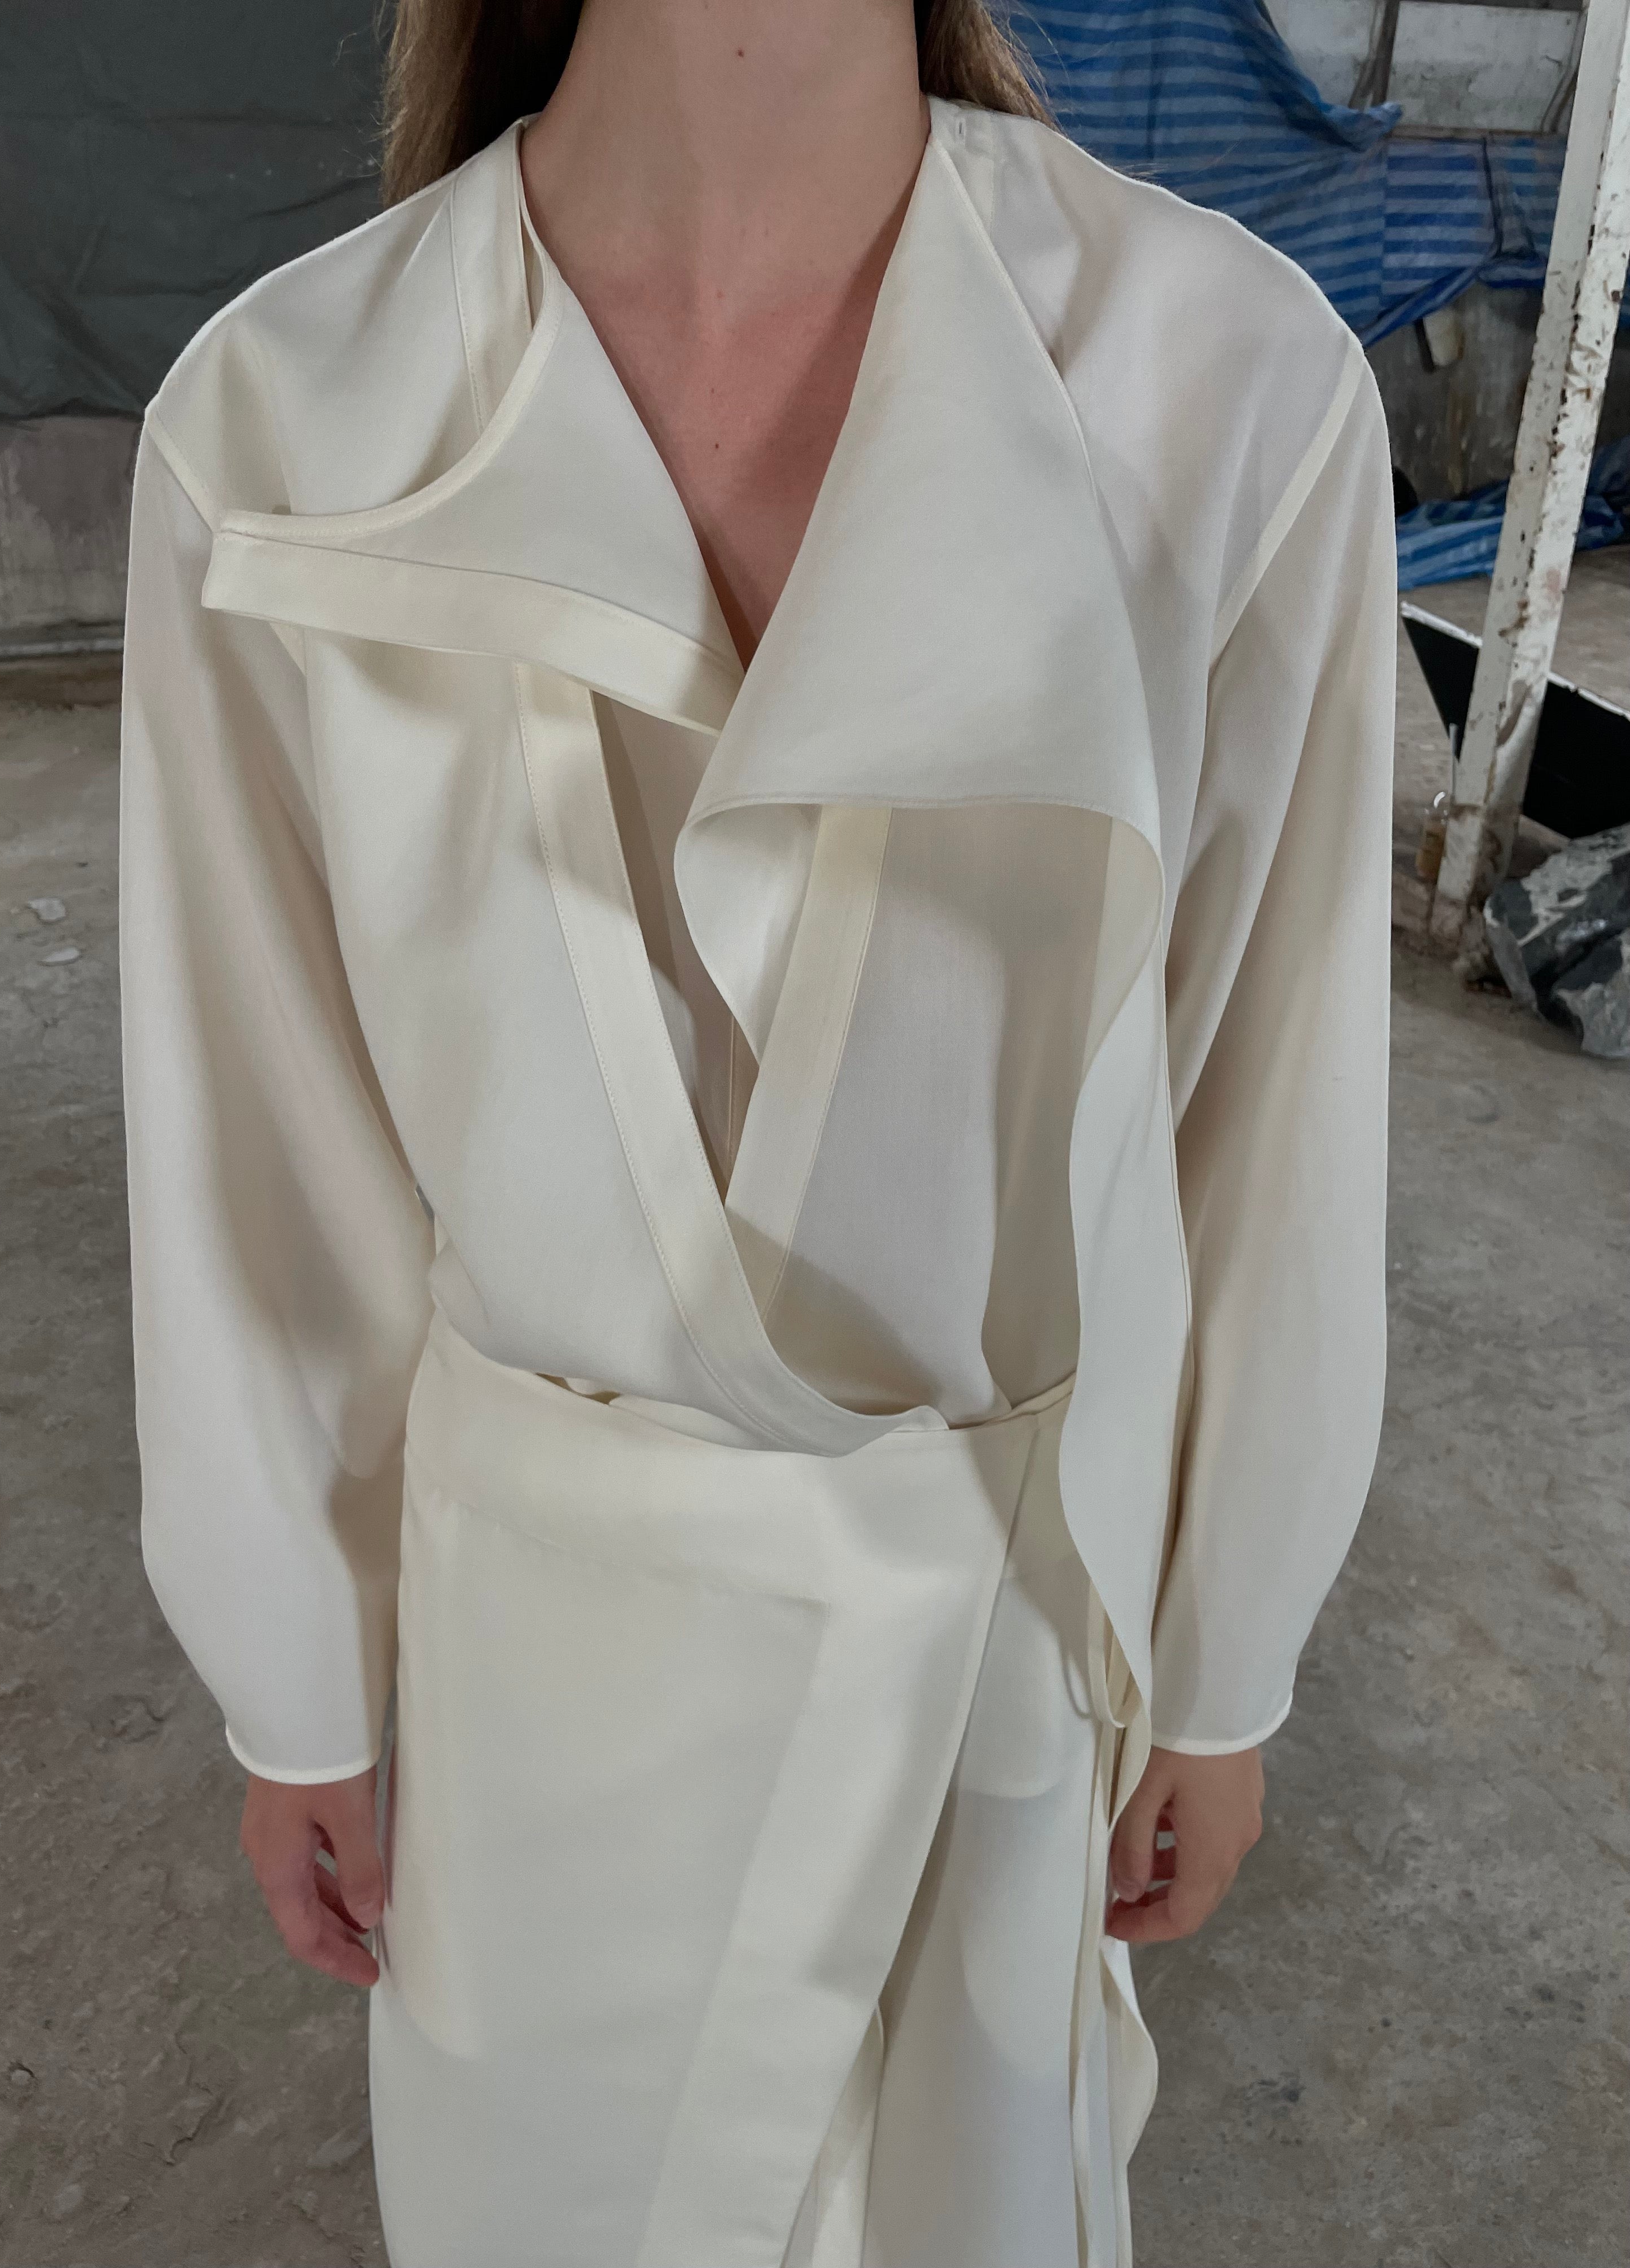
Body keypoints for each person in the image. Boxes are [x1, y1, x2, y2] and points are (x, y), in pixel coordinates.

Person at [118, 1, 1394, 2261]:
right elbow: (254, 1137)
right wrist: (293, 1672)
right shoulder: (286, 412)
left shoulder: (1228, 382)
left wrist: (1224, 1647)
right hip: (536, 1693)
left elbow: (1276, 1099)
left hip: (995, 1663)